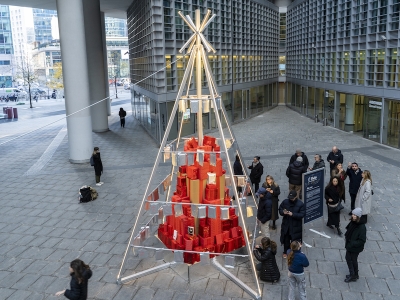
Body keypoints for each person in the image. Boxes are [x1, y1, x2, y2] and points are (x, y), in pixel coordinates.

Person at [279, 190, 305, 258]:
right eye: (290, 198)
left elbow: (302, 214)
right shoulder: (285, 202)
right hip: (286, 225)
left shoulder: (300, 204)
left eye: (292, 198)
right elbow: (280, 209)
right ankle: (285, 251)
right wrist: (283, 212)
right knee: (286, 239)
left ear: (296, 196)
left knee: (295, 240)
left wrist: (293, 214)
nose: (291, 199)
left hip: (296, 226)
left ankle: (294, 253)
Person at [344, 208, 367, 283]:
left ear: (358, 216)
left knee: (351, 259)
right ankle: (355, 274)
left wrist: (352, 243)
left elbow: (362, 240)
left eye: (354, 215)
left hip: (354, 247)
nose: (353, 216)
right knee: (350, 259)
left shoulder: (361, 227)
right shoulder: (354, 222)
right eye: (353, 214)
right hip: (350, 245)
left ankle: (353, 275)